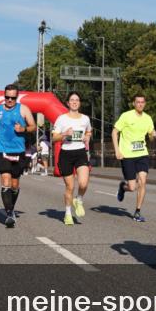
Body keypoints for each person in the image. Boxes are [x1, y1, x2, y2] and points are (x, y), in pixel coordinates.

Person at [0, 84, 36, 228]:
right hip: (2, 149)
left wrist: (23, 129)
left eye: (12, 98)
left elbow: (33, 126)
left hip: (18, 150)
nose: (9, 100)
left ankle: (11, 207)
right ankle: (9, 214)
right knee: (6, 180)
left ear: (17, 97)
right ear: (4, 96)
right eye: (7, 97)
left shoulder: (23, 109)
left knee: (15, 185)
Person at [112, 94, 156, 222]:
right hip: (127, 155)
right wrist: (117, 150)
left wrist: (153, 134)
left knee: (143, 181)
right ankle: (123, 187)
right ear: (133, 103)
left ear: (145, 104)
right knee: (132, 187)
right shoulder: (126, 116)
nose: (140, 104)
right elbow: (115, 132)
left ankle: (137, 211)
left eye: (142, 102)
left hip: (142, 154)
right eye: (138, 102)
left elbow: (151, 137)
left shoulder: (148, 119)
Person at [52, 91, 91, 226]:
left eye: (77, 100)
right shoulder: (62, 119)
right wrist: (64, 134)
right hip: (66, 154)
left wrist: (87, 137)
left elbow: (88, 131)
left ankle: (79, 199)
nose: (75, 102)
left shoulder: (85, 119)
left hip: (80, 152)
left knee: (84, 183)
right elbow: (54, 137)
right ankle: (68, 214)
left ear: (79, 103)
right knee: (70, 187)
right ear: (68, 103)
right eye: (72, 100)